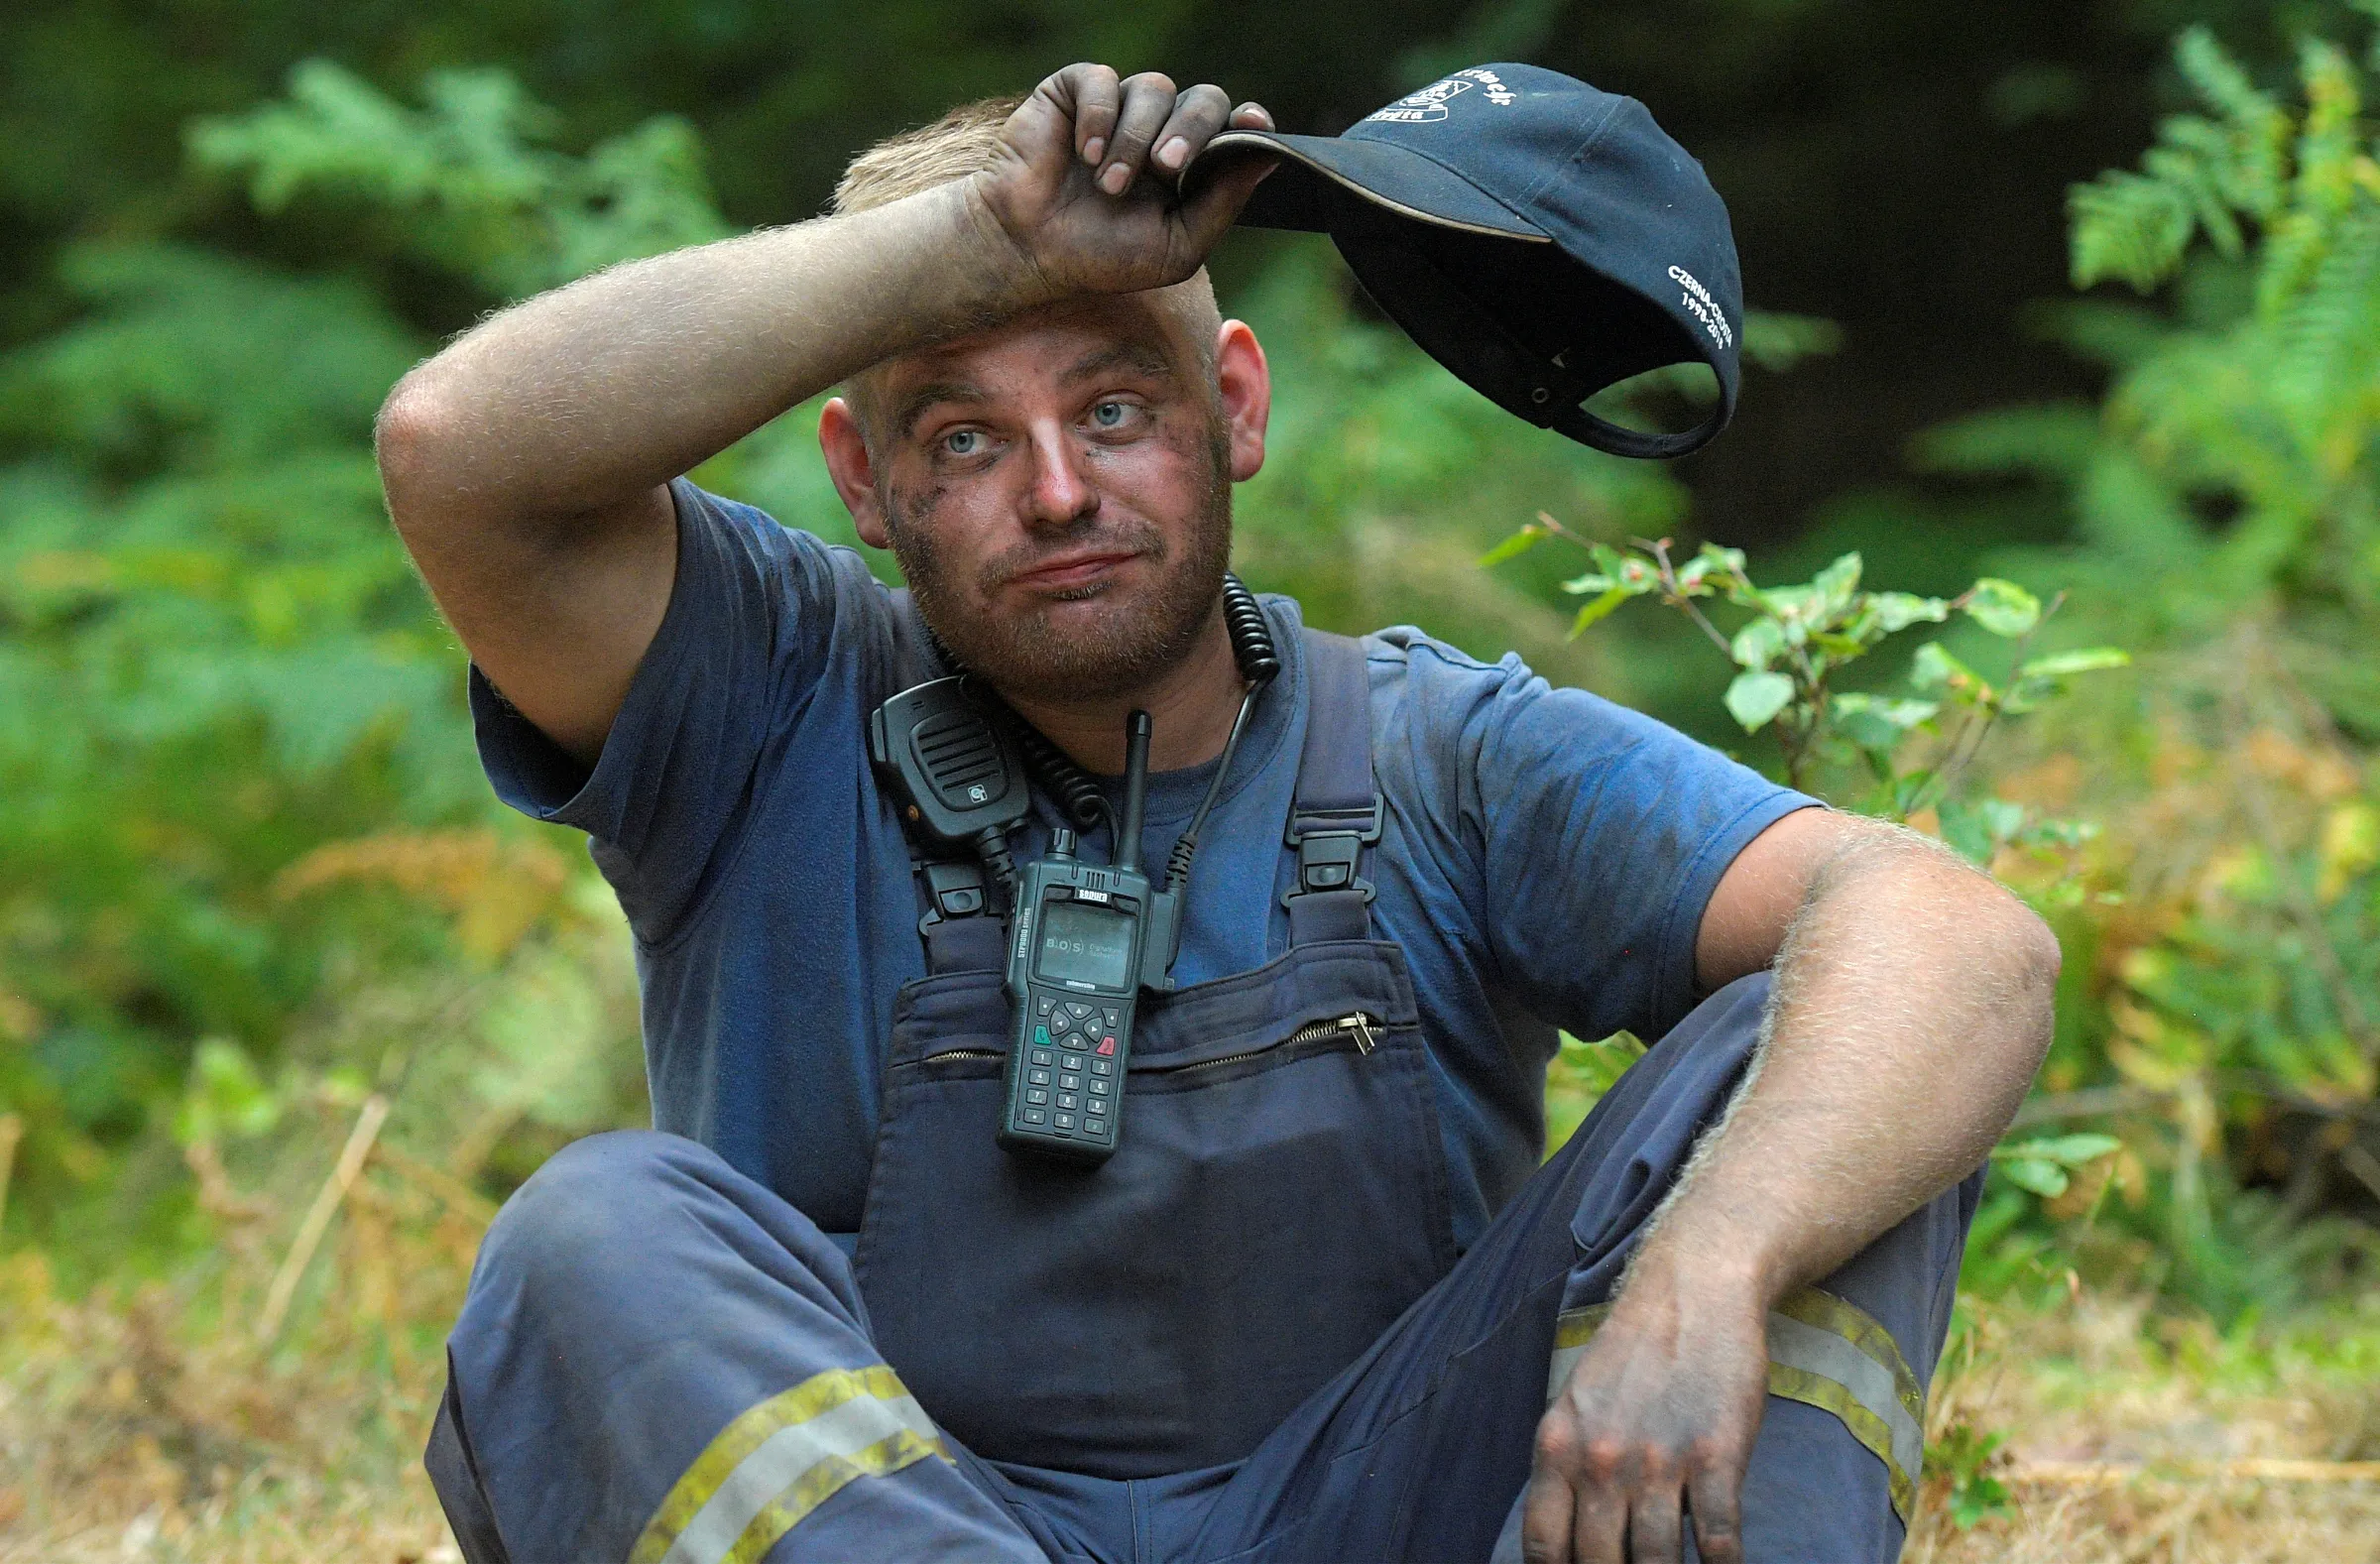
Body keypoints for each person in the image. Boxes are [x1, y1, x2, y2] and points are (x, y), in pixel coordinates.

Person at [375, 60, 2059, 1564]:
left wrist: (1715, 1260)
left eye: (1114, 409)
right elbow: (460, 453)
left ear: (1234, 408)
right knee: (593, 1233)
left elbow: (1956, 934)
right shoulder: (763, 695)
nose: (1056, 490)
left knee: (1820, 1056)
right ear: (861, 482)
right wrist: (989, 242)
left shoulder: (1445, 752)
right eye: (962, 438)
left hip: (1394, 1514)